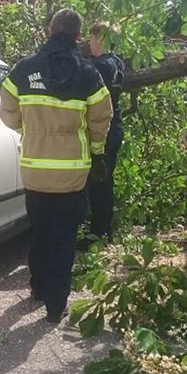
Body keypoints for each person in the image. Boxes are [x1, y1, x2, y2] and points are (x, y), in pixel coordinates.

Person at [0, 9, 113, 323]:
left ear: (49, 31)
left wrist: (29, 128)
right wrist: (98, 153)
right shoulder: (88, 73)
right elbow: (102, 117)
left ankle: (37, 287)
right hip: (73, 175)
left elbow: (6, 111)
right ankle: (54, 305)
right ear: (78, 37)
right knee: (64, 238)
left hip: (35, 171)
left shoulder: (24, 70)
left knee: (40, 233)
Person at [82, 24, 126, 241]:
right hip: (115, 125)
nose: (88, 44)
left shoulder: (98, 67)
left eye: (90, 39)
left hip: (103, 129)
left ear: (99, 39)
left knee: (97, 182)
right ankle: (104, 227)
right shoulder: (117, 63)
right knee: (105, 180)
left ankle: (97, 232)